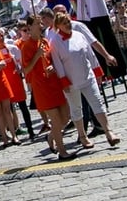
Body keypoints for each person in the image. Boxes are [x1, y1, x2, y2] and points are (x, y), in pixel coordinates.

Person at [49, 13, 121, 149]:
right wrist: (63, 81)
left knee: (98, 103)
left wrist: (97, 71)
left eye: (68, 21)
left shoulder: (78, 35)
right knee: (76, 109)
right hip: (71, 81)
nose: (68, 24)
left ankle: (108, 131)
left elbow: (90, 54)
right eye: (64, 23)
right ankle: (82, 135)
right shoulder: (55, 42)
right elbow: (58, 64)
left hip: (88, 76)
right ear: (58, 26)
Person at [19, 17, 73, 160]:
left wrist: (52, 67)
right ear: (29, 27)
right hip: (41, 86)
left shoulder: (45, 42)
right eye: (37, 24)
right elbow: (26, 70)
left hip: (53, 82)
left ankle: (51, 137)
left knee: (65, 116)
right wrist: (36, 56)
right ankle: (62, 151)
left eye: (40, 23)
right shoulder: (27, 46)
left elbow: (53, 59)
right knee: (55, 119)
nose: (40, 26)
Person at [68, 0, 126, 79]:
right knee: (92, 41)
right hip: (85, 15)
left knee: (108, 38)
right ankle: (101, 71)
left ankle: (117, 69)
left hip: (98, 11)